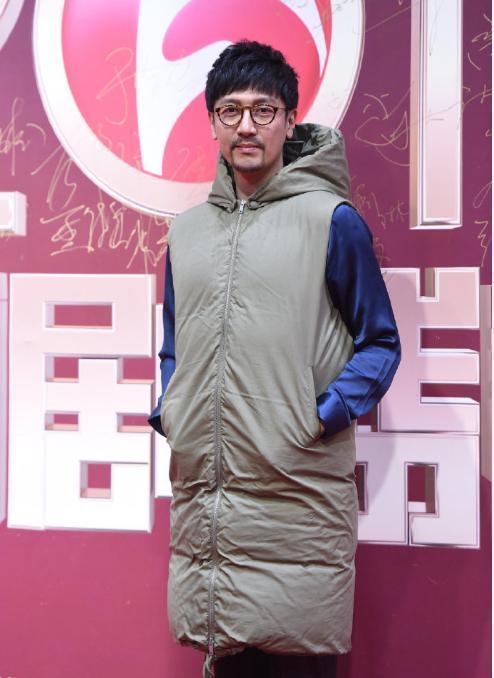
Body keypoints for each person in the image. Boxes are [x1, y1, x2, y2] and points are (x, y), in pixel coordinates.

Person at [149, 41, 401, 678]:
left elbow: (380, 343)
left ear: (290, 121)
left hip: (296, 498)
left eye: (263, 110)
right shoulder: (187, 232)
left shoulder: (331, 220)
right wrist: (172, 410)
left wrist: (317, 418)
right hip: (208, 504)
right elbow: (175, 342)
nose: (246, 126)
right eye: (230, 111)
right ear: (212, 122)